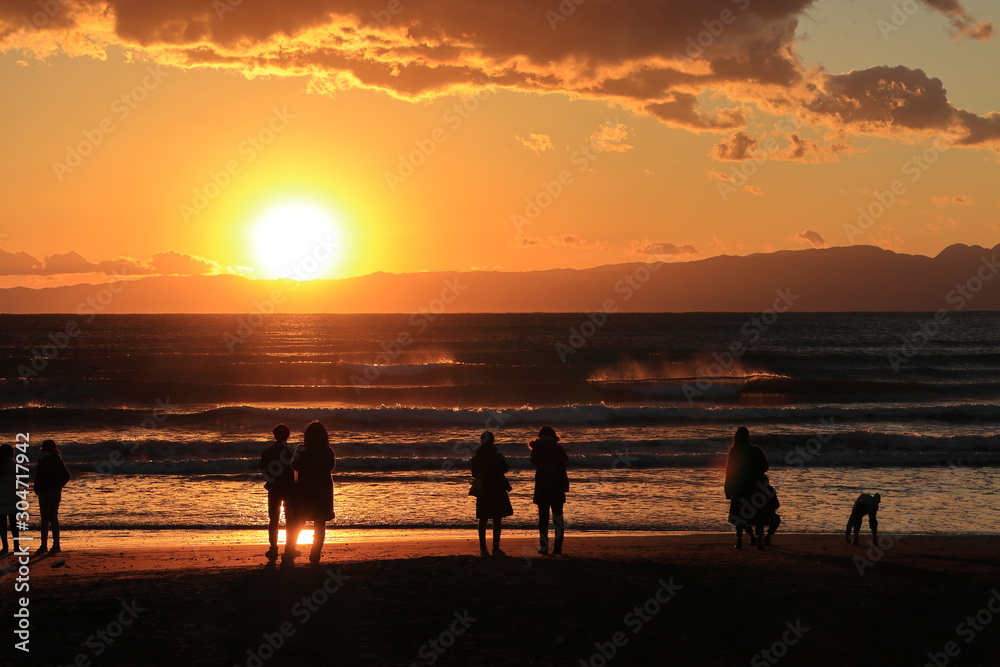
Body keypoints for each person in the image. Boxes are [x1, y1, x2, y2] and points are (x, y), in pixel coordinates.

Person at [284, 421, 336, 565]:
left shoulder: (301, 449)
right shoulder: (327, 451)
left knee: (299, 522)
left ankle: (289, 552)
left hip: (305, 489)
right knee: (320, 523)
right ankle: (315, 554)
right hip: (323, 489)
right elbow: (331, 467)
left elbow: (294, 465)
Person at [724, 426, 769, 550]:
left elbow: (729, 472)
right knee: (758, 514)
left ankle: (739, 541)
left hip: (739, 487)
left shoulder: (734, 452)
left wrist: (727, 490)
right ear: (748, 437)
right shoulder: (757, 450)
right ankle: (760, 540)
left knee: (739, 514)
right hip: (757, 487)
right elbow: (765, 467)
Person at [470, 431, 513, 557]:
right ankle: (496, 548)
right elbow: (506, 469)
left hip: (483, 488)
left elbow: (474, 474)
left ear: (481, 441)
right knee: (497, 519)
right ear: (493, 441)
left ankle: (483, 549)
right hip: (497, 488)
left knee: (483, 519)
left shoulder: (477, 457)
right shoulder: (497, 456)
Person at [529, 425, 569, 556]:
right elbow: (564, 463)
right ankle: (558, 548)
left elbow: (533, 461)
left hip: (542, 485)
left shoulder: (537, 449)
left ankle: (544, 547)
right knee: (558, 518)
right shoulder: (557, 449)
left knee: (543, 519)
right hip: (557, 485)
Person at [260, 424, 296, 561]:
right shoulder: (292, 451)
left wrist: (271, 479)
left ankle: (273, 548)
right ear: (288, 435)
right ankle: (289, 548)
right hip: (289, 488)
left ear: (274, 435)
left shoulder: (268, 451)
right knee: (290, 519)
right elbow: (296, 471)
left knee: (274, 519)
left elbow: (263, 470)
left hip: (274, 488)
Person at [34, 439, 71, 554]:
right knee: (54, 518)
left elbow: (38, 477)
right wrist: (58, 485)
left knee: (45, 519)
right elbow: (67, 476)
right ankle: (56, 545)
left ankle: (44, 545)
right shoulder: (57, 459)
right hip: (55, 492)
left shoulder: (42, 460)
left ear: (44, 448)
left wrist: (37, 489)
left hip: (45, 492)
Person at [741, 475, 781, 547]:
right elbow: (776, 505)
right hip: (768, 516)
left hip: (752, 517)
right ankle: (768, 537)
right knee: (776, 519)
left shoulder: (750, 490)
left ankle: (752, 537)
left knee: (743, 517)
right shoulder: (770, 489)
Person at [0, 445, 19, 555]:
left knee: (2, 524)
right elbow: (24, 478)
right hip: (12, 496)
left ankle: (5, 547)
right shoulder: (15, 465)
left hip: (1, 497)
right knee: (14, 523)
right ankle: (16, 546)